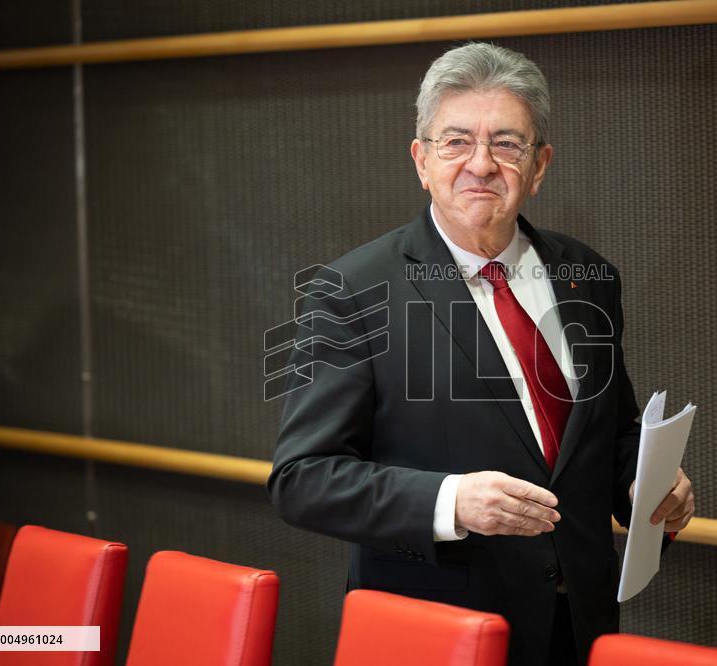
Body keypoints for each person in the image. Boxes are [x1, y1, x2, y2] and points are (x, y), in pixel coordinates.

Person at [269, 42, 694, 666]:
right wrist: (450, 501)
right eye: (456, 141)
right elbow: (301, 480)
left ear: (540, 163)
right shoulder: (352, 291)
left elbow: (601, 433)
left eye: (507, 143)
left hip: (580, 626)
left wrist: (649, 486)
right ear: (421, 159)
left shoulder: (589, 274)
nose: (482, 164)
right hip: (440, 632)